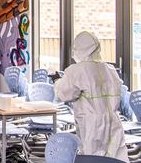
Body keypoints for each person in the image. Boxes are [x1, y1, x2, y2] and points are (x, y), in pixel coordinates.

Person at [55, 31, 128, 162]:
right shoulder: (110, 70)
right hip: (113, 122)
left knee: (92, 157)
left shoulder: (78, 70)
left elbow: (63, 94)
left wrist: (58, 82)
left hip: (91, 125)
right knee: (114, 157)